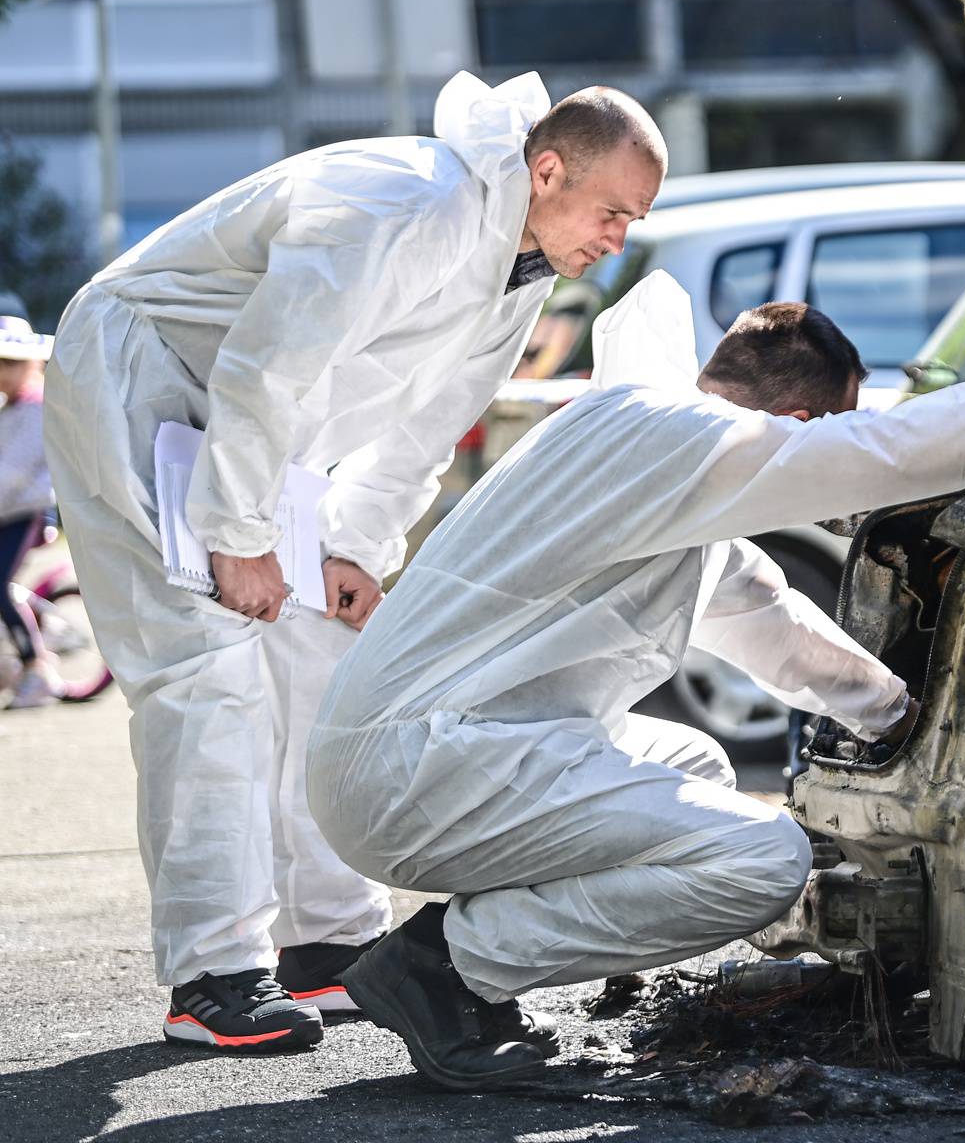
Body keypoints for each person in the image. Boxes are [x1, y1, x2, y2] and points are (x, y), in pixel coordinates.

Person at [306, 282, 965, 1090]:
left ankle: (474, 963)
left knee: (695, 760)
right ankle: (448, 967)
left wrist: (899, 715)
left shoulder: (669, 471)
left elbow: (769, 623)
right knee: (764, 863)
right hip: (411, 770)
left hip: (433, 750)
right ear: (800, 423)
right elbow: (883, 448)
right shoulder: (661, 441)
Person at [42, 71, 668, 1052]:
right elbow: (268, 361)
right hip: (144, 375)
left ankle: (325, 942)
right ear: (548, 171)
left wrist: (351, 552)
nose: (620, 237)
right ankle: (213, 973)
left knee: (320, 662)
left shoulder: (517, 267)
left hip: (257, 431)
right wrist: (238, 532)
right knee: (207, 675)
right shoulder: (407, 199)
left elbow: (423, 429)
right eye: (614, 211)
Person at [0, 316, 61, 709]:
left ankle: (37, 668)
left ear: (33, 364)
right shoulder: (9, 408)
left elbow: (12, 474)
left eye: (10, 362)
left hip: (27, 512)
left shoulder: (36, 409)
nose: (2, 371)